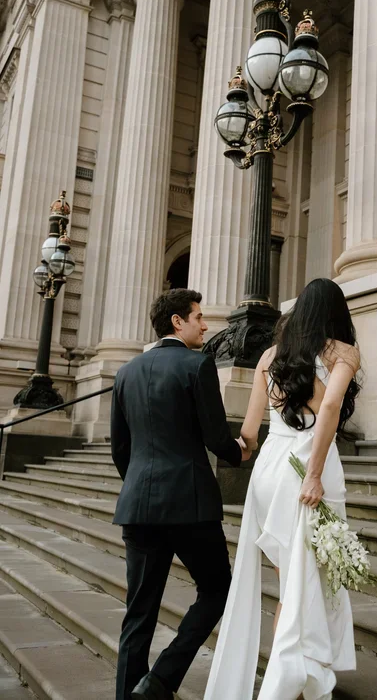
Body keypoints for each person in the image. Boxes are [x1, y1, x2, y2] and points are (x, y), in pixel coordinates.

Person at [204, 278, 361, 700]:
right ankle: (291, 677)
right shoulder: (342, 352)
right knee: (307, 578)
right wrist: (313, 472)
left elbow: (250, 428)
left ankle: (292, 670)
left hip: (269, 467)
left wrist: (236, 448)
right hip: (307, 464)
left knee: (290, 576)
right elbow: (328, 407)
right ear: (336, 311)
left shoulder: (271, 355)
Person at [110, 288, 250, 700]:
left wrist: (140, 485)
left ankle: (129, 695)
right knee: (218, 589)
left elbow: (121, 449)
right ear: (178, 321)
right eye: (199, 316)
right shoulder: (197, 365)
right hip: (189, 505)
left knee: (139, 612)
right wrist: (240, 450)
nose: (205, 325)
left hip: (138, 505)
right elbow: (215, 435)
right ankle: (160, 680)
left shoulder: (125, 372)